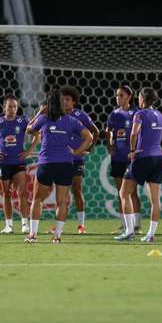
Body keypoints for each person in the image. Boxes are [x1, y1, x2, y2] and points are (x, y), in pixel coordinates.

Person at [25, 90, 93, 243]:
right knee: (61, 201)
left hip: (46, 163)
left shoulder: (43, 118)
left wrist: (38, 113)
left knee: (37, 199)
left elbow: (29, 129)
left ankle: (32, 235)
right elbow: (89, 137)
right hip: (65, 164)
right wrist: (76, 153)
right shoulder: (71, 120)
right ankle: (57, 236)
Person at [115, 87, 162, 243]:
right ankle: (150, 234)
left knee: (124, 193)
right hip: (158, 159)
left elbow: (134, 133)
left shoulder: (140, 114)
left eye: (140, 98)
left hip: (142, 158)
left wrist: (133, 150)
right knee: (155, 200)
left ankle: (129, 232)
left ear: (142, 99)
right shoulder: (160, 116)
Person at [0, 94, 36, 235]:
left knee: (22, 192)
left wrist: (29, 151)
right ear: (4, 107)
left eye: (15, 106)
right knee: (7, 193)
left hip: (19, 162)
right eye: (10, 106)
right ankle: (8, 225)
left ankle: (25, 224)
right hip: (4, 162)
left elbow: (38, 134)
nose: (12, 109)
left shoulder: (23, 121)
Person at [60, 86, 100, 234]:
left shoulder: (80, 115)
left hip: (76, 158)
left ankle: (81, 225)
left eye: (68, 99)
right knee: (62, 193)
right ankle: (59, 224)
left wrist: (90, 147)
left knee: (77, 190)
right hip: (61, 159)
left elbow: (95, 131)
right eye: (63, 99)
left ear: (74, 101)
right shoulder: (58, 116)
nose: (64, 102)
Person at [106, 85, 140, 235]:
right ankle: (125, 225)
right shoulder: (114, 114)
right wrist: (110, 146)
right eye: (117, 95)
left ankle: (136, 225)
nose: (118, 98)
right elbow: (108, 131)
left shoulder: (136, 113)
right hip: (118, 158)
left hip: (132, 158)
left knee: (132, 192)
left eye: (121, 95)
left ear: (129, 96)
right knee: (121, 193)